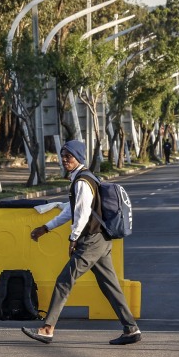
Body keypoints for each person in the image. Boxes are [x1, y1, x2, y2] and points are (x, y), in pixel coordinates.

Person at [21, 140, 141, 346]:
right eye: (63, 156)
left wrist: (73, 238)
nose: (65, 159)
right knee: (110, 286)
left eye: (69, 156)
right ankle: (131, 329)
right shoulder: (82, 178)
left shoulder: (83, 181)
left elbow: (83, 213)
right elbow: (70, 210)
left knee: (64, 281)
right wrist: (46, 227)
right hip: (100, 240)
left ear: (79, 157)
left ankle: (47, 328)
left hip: (91, 241)